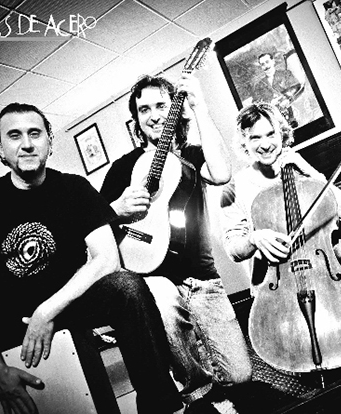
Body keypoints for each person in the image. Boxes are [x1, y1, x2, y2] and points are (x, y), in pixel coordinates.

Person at [0, 103, 184, 414]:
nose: (27, 144)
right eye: (14, 136)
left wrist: (46, 311)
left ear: (49, 141)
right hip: (10, 315)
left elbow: (106, 259)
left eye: (35, 133)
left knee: (127, 287)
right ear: (0, 148)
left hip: (71, 303)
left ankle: (161, 407)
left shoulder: (75, 188)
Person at [100, 74, 252, 414]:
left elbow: (221, 173)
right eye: (144, 109)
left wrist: (200, 107)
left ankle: (201, 370)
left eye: (161, 106)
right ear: (136, 119)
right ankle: (198, 397)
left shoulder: (191, 156)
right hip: (154, 276)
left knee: (239, 376)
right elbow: (95, 225)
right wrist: (117, 209)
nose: (154, 115)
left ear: (174, 110)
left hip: (202, 277)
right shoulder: (123, 168)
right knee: (165, 302)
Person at [220, 102, 341, 296]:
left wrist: (310, 172)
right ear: (244, 143)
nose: (265, 145)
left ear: (282, 134)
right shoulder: (234, 188)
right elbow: (233, 250)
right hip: (275, 275)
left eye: (271, 134)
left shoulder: (300, 169)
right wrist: (253, 238)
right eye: (255, 138)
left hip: (318, 259)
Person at [251, 53, 302, 129]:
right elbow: (255, 102)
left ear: (273, 61)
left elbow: (296, 86)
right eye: (262, 64)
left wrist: (286, 98)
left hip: (293, 112)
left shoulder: (285, 74)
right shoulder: (259, 85)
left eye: (267, 62)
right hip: (275, 122)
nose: (266, 66)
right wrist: (270, 102)